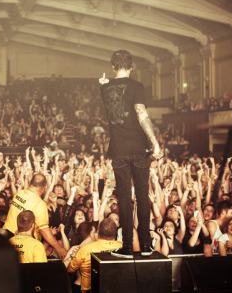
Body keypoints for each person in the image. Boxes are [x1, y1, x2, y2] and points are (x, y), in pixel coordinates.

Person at [98, 50, 162, 258]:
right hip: (138, 148)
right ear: (131, 66)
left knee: (124, 198)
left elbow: (106, 88)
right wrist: (155, 142)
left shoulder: (104, 88)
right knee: (142, 195)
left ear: (113, 67)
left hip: (118, 149)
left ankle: (126, 246)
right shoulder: (136, 86)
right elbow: (141, 113)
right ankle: (145, 244)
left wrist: (103, 83)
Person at [4, 173, 68, 258]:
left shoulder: (19, 193)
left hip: (6, 237)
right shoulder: (39, 204)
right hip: (24, 242)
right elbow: (44, 229)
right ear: (43, 188)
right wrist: (58, 248)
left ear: (30, 182)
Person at [66, 218, 122, 293]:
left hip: (90, 290)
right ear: (116, 233)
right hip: (115, 289)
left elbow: (70, 270)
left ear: (98, 232)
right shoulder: (122, 247)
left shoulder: (85, 249)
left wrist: (73, 256)